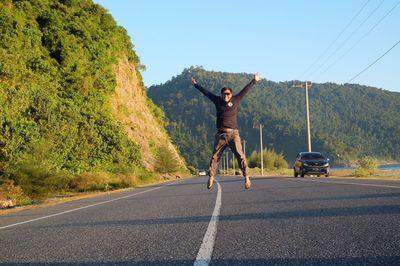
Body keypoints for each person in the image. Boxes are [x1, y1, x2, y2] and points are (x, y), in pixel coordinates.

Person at [191, 73, 261, 189]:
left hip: (233, 134)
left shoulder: (236, 99)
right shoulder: (217, 100)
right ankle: (211, 177)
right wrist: (196, 85)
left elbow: (245, 90)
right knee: (215, 157)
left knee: (240, 155)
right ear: (221, 95)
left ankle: (247, 177)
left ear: (231, 94)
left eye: (228, 94)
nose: (226, 96)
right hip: (221, 135)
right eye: (224, 94)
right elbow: (206, 93)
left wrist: (254, 80)